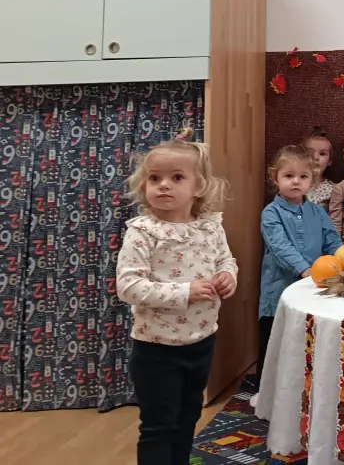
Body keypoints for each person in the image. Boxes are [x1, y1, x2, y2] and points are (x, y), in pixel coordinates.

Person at [116, 130, 237, 465]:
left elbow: (226, 260)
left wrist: (228, 276)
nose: (164, 185)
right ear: (143, 185)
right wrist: (185, 292)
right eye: (155, 178)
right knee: (159, 426)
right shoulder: (143, 232)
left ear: (199, 186)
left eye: (177, 177)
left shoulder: (210, 226)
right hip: (156, 349)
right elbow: (128, 286)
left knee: (187, 418)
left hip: (201, 341)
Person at [257, 145, 342, 397]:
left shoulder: (317, 212)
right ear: (275, 178)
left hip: (314, 289)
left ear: (311, 180)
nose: (296, 181)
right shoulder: (271, 213)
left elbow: (332, 241)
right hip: (279, 290)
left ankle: (299, 392)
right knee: (274, 341)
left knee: (305, 341)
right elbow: (280, 246)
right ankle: (265, 392)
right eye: (289, 175)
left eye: (303, 176)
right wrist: (304, 269)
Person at [302, 126, 335, 209]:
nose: (316, 157)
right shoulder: (293, 183)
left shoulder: (334, 190)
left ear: (329, 160)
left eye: (322, 154)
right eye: (310, 153)